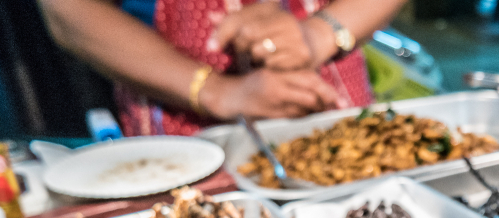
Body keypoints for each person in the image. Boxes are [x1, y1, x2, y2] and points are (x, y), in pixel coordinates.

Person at [37, 0, 409, 135]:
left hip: (334, 106)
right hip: (179, 118)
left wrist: (319, 35)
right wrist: (215, 91)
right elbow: (68, 11)